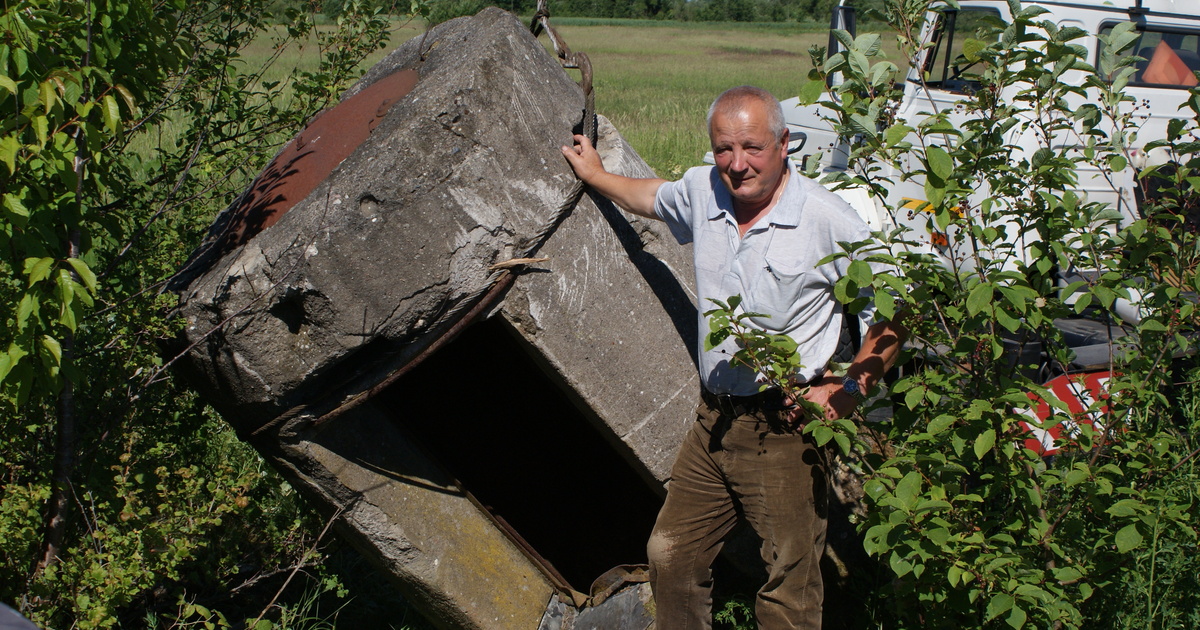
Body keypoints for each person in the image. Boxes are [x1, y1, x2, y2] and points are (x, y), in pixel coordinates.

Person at [561, 85, 907, 629]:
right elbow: (651, 196)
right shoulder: (704, 189)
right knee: (670, 554)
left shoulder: (827, 219)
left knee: (789, 583)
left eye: (752, 147)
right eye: (724, 148)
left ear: (785, 144)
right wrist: (597, 175)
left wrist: (849, 388)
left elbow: (891, 314)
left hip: (785, 426)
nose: (737, 164)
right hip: (713, 422)